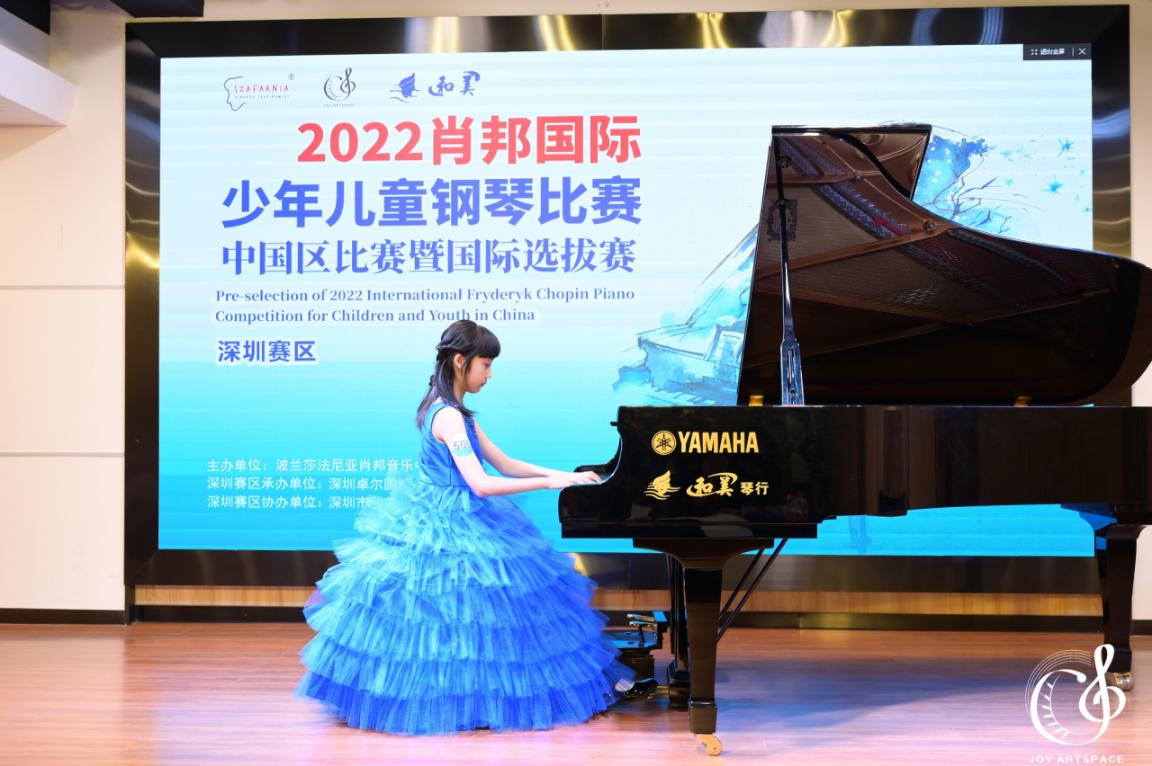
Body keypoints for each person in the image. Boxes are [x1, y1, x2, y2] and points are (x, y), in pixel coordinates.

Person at [296, 320, 651, 734]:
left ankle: (470, 701)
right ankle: (460, 703)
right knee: (459, 616)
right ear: (460, 361)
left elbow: (505, 464)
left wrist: (564, 476)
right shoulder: (448, 416)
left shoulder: (452, 411)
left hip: (451, 513)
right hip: (447, 522)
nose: (490, 374)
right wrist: (549, 484)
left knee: (470, 617)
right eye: (486, 364)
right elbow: (481, 484)